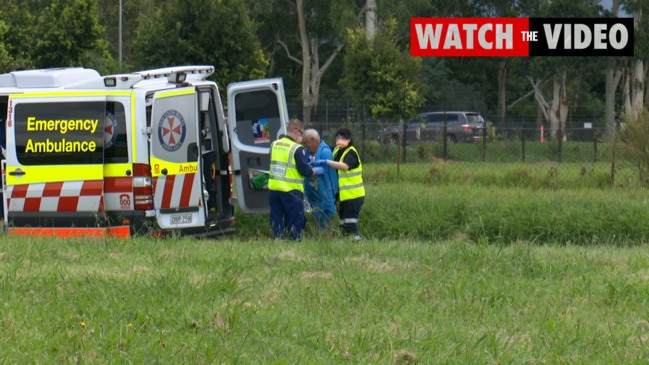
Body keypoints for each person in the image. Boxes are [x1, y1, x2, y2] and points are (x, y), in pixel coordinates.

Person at [268, 119, 323, 240]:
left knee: (277, 219)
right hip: (291, 190)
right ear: (297, 131)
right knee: (295, 220)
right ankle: (295, 244)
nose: (302, 138)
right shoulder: (297, 148)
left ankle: (279, 242)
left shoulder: (274, 144)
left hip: (273, 189)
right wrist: (313, 171)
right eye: (302, 133)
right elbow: (304, 170)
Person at [314, 128, 365, 240]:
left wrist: (327, 162)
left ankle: (356, 244)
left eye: (343, 138)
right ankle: (349, 244)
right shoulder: (337, 150)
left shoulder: (351, 152)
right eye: (338, 138)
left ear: (349, 139)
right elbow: (326, 149)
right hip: (343, 196)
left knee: (349, 223)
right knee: (343, 223)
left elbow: (345, 166)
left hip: (353, 196)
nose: (339, 141)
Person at [301, 129, 337, 231]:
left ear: (313, 140)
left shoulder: (325, 152)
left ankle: (328, 239)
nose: (306, 146)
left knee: (326, 220)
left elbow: (328, 174)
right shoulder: (308, 152)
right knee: (316, 220)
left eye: (307, 143)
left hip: (324, 192)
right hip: (313, 192)